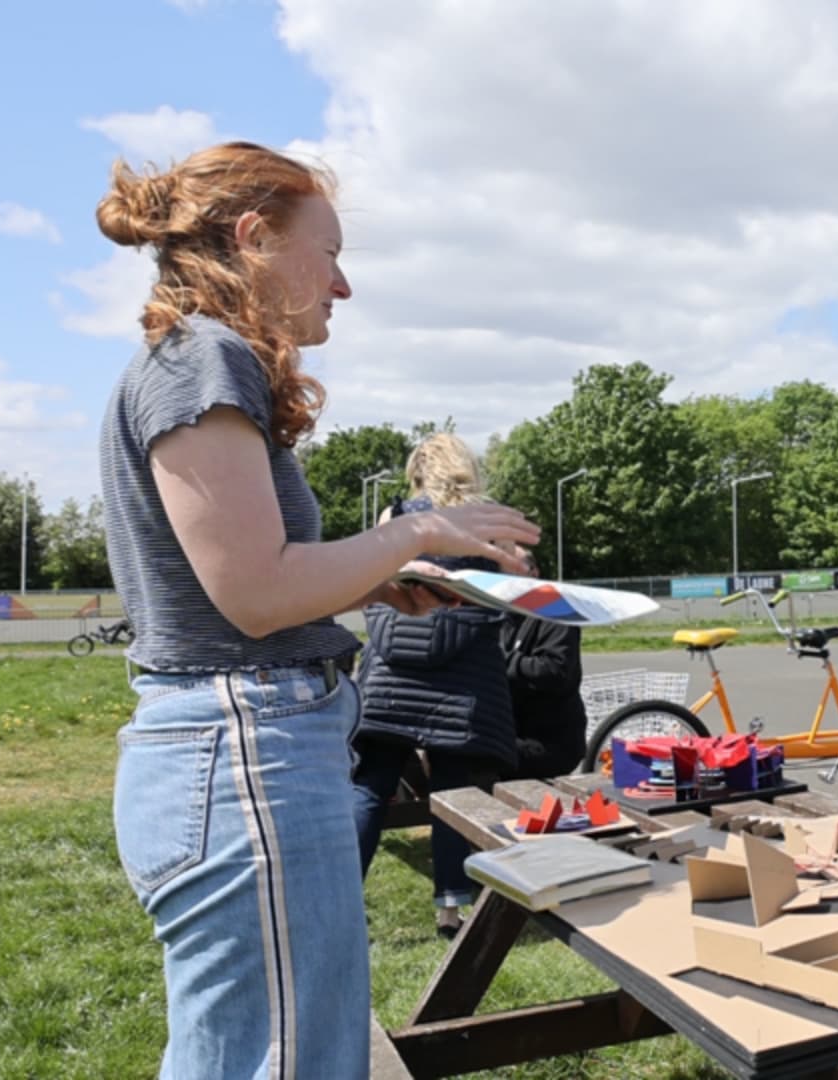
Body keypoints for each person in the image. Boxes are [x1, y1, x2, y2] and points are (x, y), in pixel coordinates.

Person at [95, 142, 541, 1078]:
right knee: (294, 1061)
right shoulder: (201, 361)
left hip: (239, 745)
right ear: (255, 239)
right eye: (330, 253)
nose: (342, 287)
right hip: (246, 748)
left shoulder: (199, 362)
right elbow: (256, 594)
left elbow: (257, 578)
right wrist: (419, 536)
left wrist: (376, 582)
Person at [349, 433, 522, 937]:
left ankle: (342, 900)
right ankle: (451, 909)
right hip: (462, 678)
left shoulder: (394, 515)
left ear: (418, 470)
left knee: (368, 788)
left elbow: (373, 576)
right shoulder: (487, 520)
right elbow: (510, 585)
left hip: (391, 672)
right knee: (454, 793)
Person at [500, 610, 589, 780]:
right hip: (513, 732)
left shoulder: (557, 615)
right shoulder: (503, 614)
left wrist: (502, 660)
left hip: (548, 741)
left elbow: (555, 670)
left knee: (480, 761)